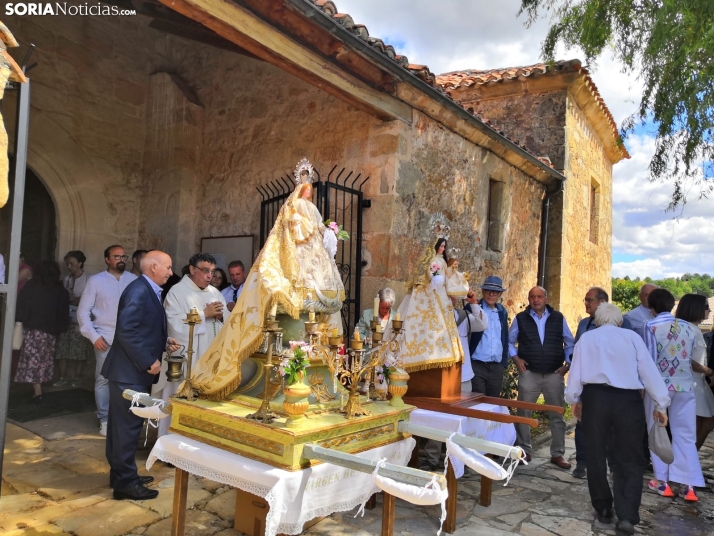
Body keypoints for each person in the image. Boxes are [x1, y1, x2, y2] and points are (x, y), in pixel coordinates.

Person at [187, 159, 344, 399]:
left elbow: (312, 231)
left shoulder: (311, 214)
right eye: (304, 189)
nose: (308, 194)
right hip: (297, 268)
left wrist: (326, 235)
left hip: (313, 267)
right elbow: (297, 231)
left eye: (310, 190)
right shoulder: (293, 216)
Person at [565, 303, 670, 536]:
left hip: (595, 399)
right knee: (630, 457)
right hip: (627, 401)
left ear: (597, 321)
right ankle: (627, 516)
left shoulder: (587, 339)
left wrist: (574, 399)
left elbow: (576, 374)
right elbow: (648, 371)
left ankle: (603, 507)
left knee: (595, 454)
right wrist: (661, 403)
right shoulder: (632, 338)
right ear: (620, 322)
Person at [102, 251, 179, 501]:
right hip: (129, 373)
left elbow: (142, 327)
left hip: (128, 371)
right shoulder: (138, 290)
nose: (170, 272)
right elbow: (126, 331)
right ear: (153, 267)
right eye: (167, 267)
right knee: (127, 430)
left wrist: (164, 341)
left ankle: (121, 475)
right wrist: (148, 360)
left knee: (122, 428)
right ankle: (125, 483)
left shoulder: (145, 288)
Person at [153, 253, 227, 437]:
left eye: (212, 271)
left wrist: (221, 316)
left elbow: (227, 322)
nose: (210, 276)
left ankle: (196, 444)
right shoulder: (177, 292)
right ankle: (169, 445)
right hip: (185, 359)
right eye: (205, 271)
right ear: (192, 269)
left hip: (209, 359)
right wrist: (204, 314)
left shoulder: (215, 293)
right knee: (177, 400)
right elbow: (174, 326)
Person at [644, 289, 705, 502]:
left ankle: (663, 482)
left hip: (659, 387)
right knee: (685, 434)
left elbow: (649, 361)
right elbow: (692, 361)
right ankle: (689, 486)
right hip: (685, 386)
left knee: (657, 432)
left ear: (650, 307)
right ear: (672, 305)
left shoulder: (651, 326)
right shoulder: (690, 328)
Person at [510, 286, 574, 468]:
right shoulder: (521, 319)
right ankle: (524, 450)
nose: (536, 300)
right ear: (529, 299)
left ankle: (558, 454)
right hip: (529, 373)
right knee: (523, 413)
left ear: (546, 299)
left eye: (539, 297)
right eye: (532, 297)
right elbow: (509, 340)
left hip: (554, 373)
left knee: (557, 415)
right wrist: (516, 358)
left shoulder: (558, 318)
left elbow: (569, 342)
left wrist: (567, 365)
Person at [571, 287, 632, 479]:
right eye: (585, 300)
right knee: (582, 425)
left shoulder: (624, 324)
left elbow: (628, 356)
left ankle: (613, 465)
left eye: (589, 300)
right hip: (589, 386)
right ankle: (582, 463)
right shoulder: (584, 325)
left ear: (603, 302)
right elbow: (576, 352)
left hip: (616, 388)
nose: (586, 304)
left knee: (613, 429)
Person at [77, 245, 138, 436]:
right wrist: (93, 336)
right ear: (107, 259)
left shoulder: (134, 280)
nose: (121, 259)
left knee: (129, 380)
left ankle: (124, 418)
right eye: (116, 256)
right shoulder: (96, 281)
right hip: (105, 338)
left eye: (123, 256)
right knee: (103, 380)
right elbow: (82, 312)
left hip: (129, 339)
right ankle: (104, 419)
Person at [396, 217, 463, 372]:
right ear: (436, 246)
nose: (442, 248)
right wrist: (436, 276)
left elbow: (446, 274)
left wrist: (453, 271)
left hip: (442, 295)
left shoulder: (443, 260)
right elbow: (429, 272)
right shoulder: (432, 260)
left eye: (444, 246)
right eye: (441, 246)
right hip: (433, 293)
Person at [15, 260, 70, 403]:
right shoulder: (60, 290)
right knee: (44, 360)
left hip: (33, 330)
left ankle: (37, 391)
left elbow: (21, 305)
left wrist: (20, 321)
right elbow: (64, 313)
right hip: (51, 332)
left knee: (33, 360)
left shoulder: (32, 286)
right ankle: (39, 387)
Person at [672, 295, 714, 451]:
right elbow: (687, 359)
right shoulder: (689, 329)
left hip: (698, 383)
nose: (709, 311)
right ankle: (684, 462)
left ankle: (689, 459)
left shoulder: (690, 328)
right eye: (706, 307)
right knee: (694, 427)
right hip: (691, 383)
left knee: (706, 422)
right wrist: (709, 371)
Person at [54, 251, 94, 388]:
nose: (69, 266)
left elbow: (93, 298)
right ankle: (62, 376)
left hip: (81, 318)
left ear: (80, 263)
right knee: (62, 348)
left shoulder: (89, 279)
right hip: (66, 317)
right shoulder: (66, 279)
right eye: (67, 264)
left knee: (80, 349)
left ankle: (77, 377)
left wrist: (78, 300)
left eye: (71, 263)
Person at [465, 275, 509, 397]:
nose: (491, 294)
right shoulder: (473, 308)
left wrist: (503, 363)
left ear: (500, 294)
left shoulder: (502, 312)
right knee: (478, 402)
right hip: (477, 364)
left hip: (496, 366)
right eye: (488, 290)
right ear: (483, 291)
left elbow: (504, 337)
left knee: (493, 402)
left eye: (495, 292)